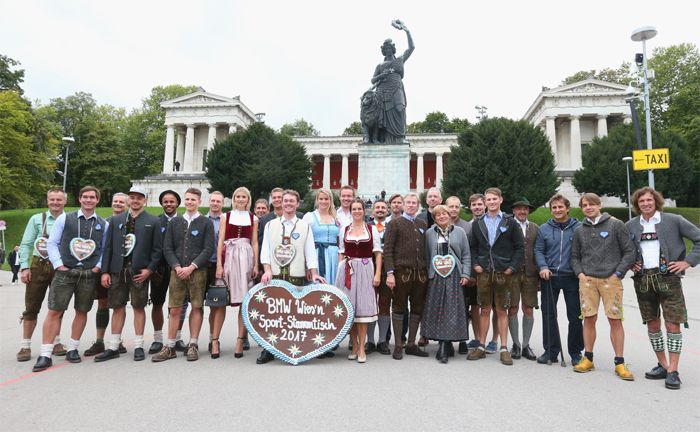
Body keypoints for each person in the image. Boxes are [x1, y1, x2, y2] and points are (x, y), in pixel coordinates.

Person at [626, 187, 700, 390]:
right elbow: (623, 250)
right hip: (643, 280)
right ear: (637, 204)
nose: (646, 204)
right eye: (642, 201)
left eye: (649, 200)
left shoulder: (674, 220)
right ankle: (663, 364)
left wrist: (688, 262)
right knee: (652, 325)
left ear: (656, 201)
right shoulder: (631, 225)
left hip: (669, 278)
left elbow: (698, 239)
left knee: (673, 324)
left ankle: (673, 371)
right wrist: (632, 262)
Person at [33, 186, 108, 372]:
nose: (88, 200)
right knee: (54, 311)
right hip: (65, 271)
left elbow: (105, 249)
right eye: (85, 197)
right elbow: (52, 243)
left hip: (88, 274)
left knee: (82, 310)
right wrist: (58, 264)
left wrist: (98, 266)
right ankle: (45, 354)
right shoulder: (65, 218)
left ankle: (73, 349)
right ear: (80, 199)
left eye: (92, 197)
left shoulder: (103, 224)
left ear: (97, 200)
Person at [571, 192, 636, 380]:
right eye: (584, 205)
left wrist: (618, 274)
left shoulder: (616, 225)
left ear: (600, 205)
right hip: (588, 281)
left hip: (611, 280)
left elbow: (629, 251)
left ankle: (620, 363)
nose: (588, 208)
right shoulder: (579, 230)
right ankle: (588, 358)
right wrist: (580, 274)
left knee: (614, 320)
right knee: (588, 318)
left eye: (591, 204)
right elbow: (575, 255)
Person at [258, 189, 325, 364]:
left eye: (291, 201)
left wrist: (314, 273)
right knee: (272, 314)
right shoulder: (270, 225)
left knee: (294, 313)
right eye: (285, 201)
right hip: (276, 275)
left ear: (298, 204)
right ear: (279, 202)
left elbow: (310, 252)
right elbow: (265, 250)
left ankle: (293, 346)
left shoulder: (304, 226)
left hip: (296, 275)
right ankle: (268, 348)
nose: (288, 203)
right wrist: (266, 269)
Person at [95, 187, 162, 362]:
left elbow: (157, 250)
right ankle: (113, 345)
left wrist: (149, 269)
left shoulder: (153, 221)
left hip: (139, 271)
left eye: (139, 198)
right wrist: (105, 271)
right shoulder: (116, 220)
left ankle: (139, 345)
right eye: (132, 197)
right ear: (128, 201)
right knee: (117, 307)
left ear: (145, 200)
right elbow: (107, 247)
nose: (135, 200)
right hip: (118, 270)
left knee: (139, 307)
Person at [152, 188, 215, 362]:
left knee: (196, 307)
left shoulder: (205, 222)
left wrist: (192, 266)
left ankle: (193, 344)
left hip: (198, 271)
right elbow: (167, 247)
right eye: (187, 199)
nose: (189, 202)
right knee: (174, 309)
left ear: (199, 202)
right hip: (177, 272)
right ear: (184, 202)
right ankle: (170, 346)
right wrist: (177, 266)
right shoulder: (175, 222)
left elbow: (208, 248)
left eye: (193, 199)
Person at [467, 187, 523, 366]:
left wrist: (512, 267)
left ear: (500, 200)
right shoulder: (478, 223)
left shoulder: (510, 222)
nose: (491, 202)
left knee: (501, 310)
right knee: (484, 309)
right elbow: (473, 247)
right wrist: (476, 264)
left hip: (503, 271)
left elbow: (519, 247)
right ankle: (481, 346)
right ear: (485, 203)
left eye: (494, 199)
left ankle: (504, 348)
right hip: (483, 272)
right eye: (488, 200)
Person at [17, 188, 68, 362]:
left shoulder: (69, 220)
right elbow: (26, 244)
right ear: (47, 201)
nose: (55, 203)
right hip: (39, 265)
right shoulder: (36, 219)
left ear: (65, 202)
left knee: (57, 307)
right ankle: (25, 345)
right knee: (31, 307)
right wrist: (24, 267)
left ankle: (56, 342)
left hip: (59, 266)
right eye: (52, 199)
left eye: (59, 200)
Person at [534, 193, 584, 366]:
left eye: (560, 207)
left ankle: (576, 352)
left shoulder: (579, 227)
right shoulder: (544, 229)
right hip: (549, 277)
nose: (557, 210)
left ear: (567, 208)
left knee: (575, 316)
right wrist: (543, 267)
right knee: (548, 315)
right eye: (554, 207)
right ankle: (550, 351)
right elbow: (539, 250)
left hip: (571, 277)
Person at [422, 205, 471, 363]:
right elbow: (427, 254)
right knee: (438, 308)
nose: (441, 217)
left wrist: (465, 274)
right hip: (436, 276)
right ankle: (444, 342)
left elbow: (466, 255)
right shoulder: (430, 233)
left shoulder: (460, 232)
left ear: (449, 216)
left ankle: (445, 345)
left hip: (454, 275)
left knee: (451, 309)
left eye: (444, 214)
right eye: (438, 215)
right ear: (434, 218)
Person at [383, 192, 429, 359]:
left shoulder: (422, 224)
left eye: (414, 203)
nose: (411, 205)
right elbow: (387, 250)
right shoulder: (395, 223)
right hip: (401, 272)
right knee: (399, 307)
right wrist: (390, 273)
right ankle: (398, 345)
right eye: (408, 202)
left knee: (417, 307)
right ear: (402, 205)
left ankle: (411, 343)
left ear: (418, 205)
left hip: (420, 274)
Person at [215, 187, 259, 359]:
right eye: (238, 196)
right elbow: (220, 241)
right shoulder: (226, 216)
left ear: (248, 199)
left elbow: (255, 242)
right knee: (221, 300)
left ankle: (240, 340)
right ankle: (215, 340)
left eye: (244, 197)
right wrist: (219, 264)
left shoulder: (253, 218)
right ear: (234, 198)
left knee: (244, 300)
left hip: (246, 256)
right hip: (229, 255)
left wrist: (255, 264)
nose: (241, 199)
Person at [337, 198, 382, 363]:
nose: (356, 211)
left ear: (364, 211)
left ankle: (362, 346)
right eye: (354, 209)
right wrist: (339, 271)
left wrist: (377, 274)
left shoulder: (371, 229)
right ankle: (354, 345)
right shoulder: (345, 229)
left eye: (359, 209)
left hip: (365, 268)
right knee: (350, 309)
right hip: (347, 269)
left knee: (362, 309)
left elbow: (378, 253)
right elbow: (341, 252)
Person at [84, 192, 128, 357]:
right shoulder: (102, 223)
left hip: (120, 271)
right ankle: (99, 341)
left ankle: (117, 341)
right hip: (102, 269)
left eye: (121, 202)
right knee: (102, 303)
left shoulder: (130, 223)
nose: (117, 204)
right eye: (115, 201)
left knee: (119, 305)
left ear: (127, 205)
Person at [371, 20, 414, 144]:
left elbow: (411, 48)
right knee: (383, 116)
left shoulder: (400, 59)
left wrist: (407, 31)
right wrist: (381, 75)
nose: (388, 49)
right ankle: (385, 139)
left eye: (390, 48)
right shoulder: (380, 65)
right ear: (384, 50)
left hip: (397, 88)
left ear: (393, 49)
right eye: (386, 48)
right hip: (383, 91)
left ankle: (400, 137)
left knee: (400, 109)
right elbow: (373, 79)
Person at [147, 190, 180, 354]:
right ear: (161, 204)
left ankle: (177, 338)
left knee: (178, 305)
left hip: (178, 269)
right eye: (165, 201)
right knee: (157, 303)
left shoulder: (183, 221)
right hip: (159, 268)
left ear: (177, 203)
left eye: (172, 201)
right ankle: (158, 338)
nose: (168, 204)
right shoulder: (155, 222)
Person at [508, 198, 540, 361]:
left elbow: (539, 250)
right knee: (512, 308)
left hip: (530, 274)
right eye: (519, 209)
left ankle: (526, 345)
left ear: (528, 211)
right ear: (513, 210)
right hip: (512, 274)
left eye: (525, 209)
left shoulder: (535, 228)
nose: (522, 211)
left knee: (528, 309)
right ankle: (516, 344)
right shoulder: (507, 226)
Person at [303, 188, 340, 288]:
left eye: (326, 199)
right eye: (321, 199)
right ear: (317, 200)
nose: (323, 201)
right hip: (316, 254)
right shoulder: (309, 216)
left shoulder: (336, 217)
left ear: (330, 200)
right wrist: (307, 266)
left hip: (334, 256)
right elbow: (303, 242)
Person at [367, 199, 390, 354]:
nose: (380, 210)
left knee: (384, 303)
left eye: (383, 207)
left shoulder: (393, 225)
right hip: (369, 267)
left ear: (387, 210)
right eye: (377, 208)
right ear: (372, 210)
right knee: (369, 305)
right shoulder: (366, 226)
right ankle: (369, 341)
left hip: (388, 268)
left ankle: (382, 341)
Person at [205, 191, 225, 355]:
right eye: (212, 201)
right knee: (197, 304)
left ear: (222, 203)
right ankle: (193, 340)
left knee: (216, 304)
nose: (215, 203)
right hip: (201, 266)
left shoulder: (226, 221)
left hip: (218, 266)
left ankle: (214, 338)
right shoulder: (201, 220)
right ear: (208, 202)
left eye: (218, 201)